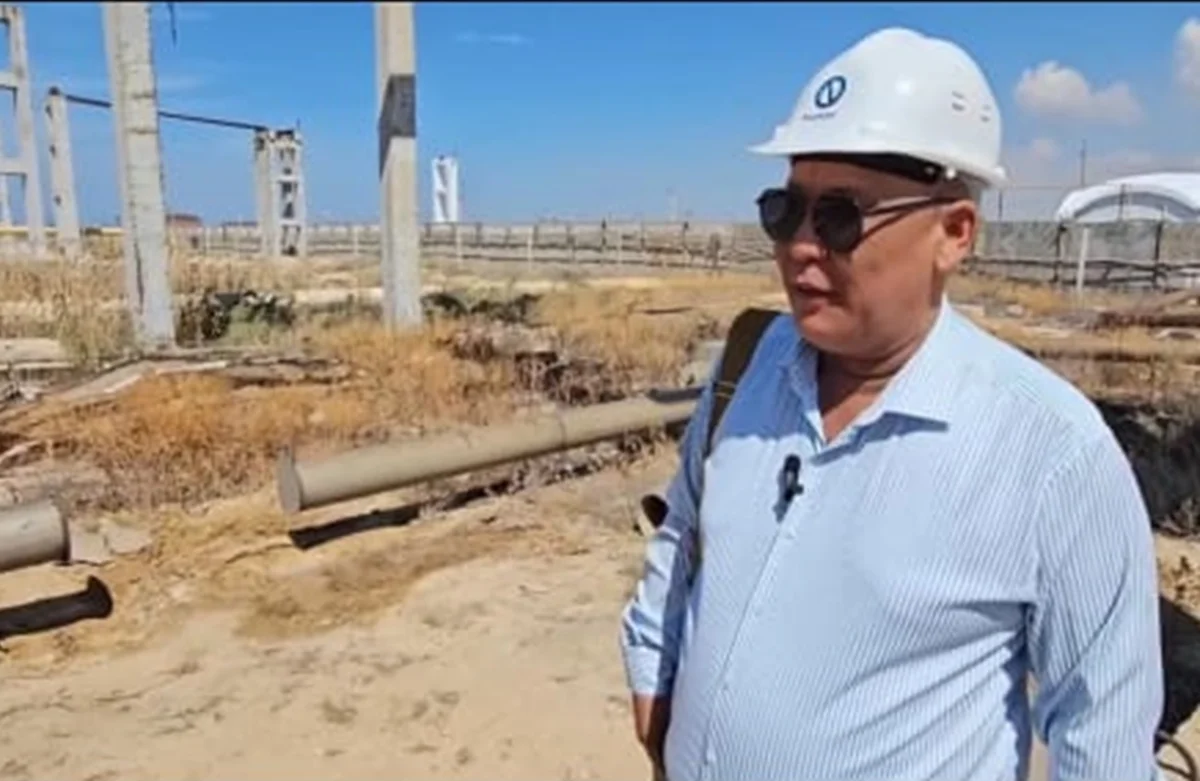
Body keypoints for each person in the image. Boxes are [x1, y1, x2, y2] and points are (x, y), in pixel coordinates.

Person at [619, 26, 1164, 781]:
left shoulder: (1053, 455)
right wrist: (652, 660)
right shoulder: (749, 361)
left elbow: (1101, 731)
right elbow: (684, 528)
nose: (800, 245)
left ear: (954, 233)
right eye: (785, 210)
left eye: (840, 217)